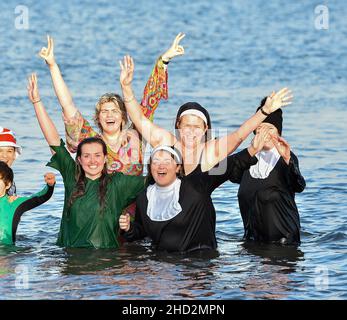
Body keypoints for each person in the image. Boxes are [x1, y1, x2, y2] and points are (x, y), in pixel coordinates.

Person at [38, 34, 185, 218]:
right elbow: (67, 105)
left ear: (123, 117)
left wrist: (163, 61)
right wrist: (53, 66)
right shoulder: (90, 142)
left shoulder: (136, 135)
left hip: (135, 213)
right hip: (100, 211)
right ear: (98, 118)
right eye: (104, 111)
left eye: (115, 111)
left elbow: (149, 100)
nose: (109, 115)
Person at [119, 55, 293, 177]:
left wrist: (264, 112)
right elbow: (139, 119)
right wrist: (126, 87)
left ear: (205, 130)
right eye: (187, 125)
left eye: (196, 127)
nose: (191, 131)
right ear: (178, 125)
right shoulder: (167, 143)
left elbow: (239, 135)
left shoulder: (210, 152)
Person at [28, 73, 146, 249]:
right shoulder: (72, 175)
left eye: (98, 156)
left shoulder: (118, 180)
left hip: (119, 242)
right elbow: (53, 139)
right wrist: (37, 102)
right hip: (73, 257)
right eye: (87, 156)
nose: (92, 161)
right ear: (79, 159)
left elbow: (159, 178)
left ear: (105, 158)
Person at [119, 145, 258, 253]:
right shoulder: (145, 196)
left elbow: (227, 166)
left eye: (167, 161)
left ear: (178, 167)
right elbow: (142, 231)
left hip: (198, 261)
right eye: (155, 162)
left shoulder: (194, 185)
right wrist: (129, 228)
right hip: (162, 265)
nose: (161, 166)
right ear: (150, 168)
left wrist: (251, 149)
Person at [235, 98, 306, 244]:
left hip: (284, 244)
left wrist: (288, 160)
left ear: (279, 133)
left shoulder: (286, 157)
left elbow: (299, 186)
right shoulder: (247, 158)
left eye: (270, 129)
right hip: (252, 243)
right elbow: (223, 172)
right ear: (254, 131)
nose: (265, 133)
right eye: (261, 128)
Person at [0, 161, 55, 245]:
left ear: (7, 184)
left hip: (7, 252)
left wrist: (50, 186)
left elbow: (40, 197)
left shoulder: (13, 203)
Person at [0, 127, 22, 195]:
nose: (4, 156)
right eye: (0, 151)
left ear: (14, 155)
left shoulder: (10, 180)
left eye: (9, 151)